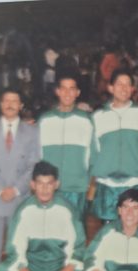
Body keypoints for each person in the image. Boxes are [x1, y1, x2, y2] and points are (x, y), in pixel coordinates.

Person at [0, 161, 86, 271]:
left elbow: (79, 246)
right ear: (32, 185)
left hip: (59, 266)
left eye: (49, 183)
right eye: (40, 183)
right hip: (34, 267)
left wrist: (69, 268)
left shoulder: (68, 210)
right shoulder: (24, 210)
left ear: (56, 184)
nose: (44, 189)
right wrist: (23, 270)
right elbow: (13, 247)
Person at [0, 88, 40, 271]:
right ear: (0, 104)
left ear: (21, 105)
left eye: (14, 100)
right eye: (6, 100)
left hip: (20, 199)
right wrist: (0, 190)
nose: (10, 104)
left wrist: (16, 190)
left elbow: (34, 164)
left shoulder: (32, 132)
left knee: (20, 250)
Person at [90, 68, 138, 222]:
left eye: (128, 84)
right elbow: (93, 152)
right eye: (119, 84)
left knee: (135, 230)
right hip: (108, 185)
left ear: (133, 89)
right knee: (109, 231)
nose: (124, 88)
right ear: (110, 88)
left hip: (136, 183)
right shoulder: (98, 116)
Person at [38, 74, 96, 220]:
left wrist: (91, 186)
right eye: (63, 88)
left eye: (72, 89)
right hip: (48, 188)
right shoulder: (45, 120)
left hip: (76, 188)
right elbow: (36, 154)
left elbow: (94, 156)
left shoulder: (87, 120)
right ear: (57, 91)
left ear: (78, 93)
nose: (67, 93)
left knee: (75, 230)